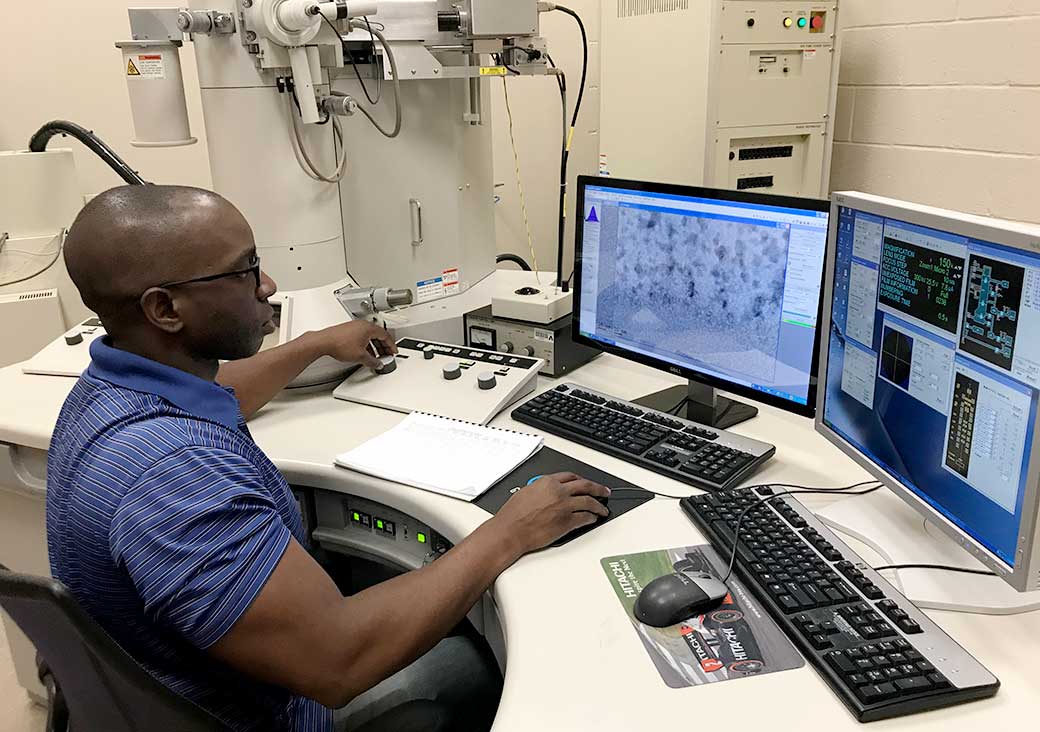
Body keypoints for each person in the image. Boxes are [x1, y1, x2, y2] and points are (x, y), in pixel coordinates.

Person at [46, 185, 610, 732]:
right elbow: (338, 663)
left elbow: (223, 392)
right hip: (275, 709)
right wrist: (510, 531)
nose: (267, 284)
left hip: (190, 685)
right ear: (165, 309)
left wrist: (311, 344)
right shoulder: (176, 477)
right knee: (485, 659)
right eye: (244, 270)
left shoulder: (109, 390)